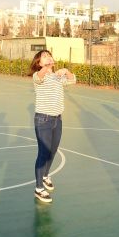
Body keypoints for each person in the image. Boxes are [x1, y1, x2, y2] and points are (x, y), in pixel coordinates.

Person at [30, 49, 76, 204]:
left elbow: (73, 80)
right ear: (39, 63)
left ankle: (45, 175)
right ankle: (38, 188)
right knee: (43, 153)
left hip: (57, 119)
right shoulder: (38, 76)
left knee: (53, 151)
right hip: (43, 119)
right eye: (44, 57)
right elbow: (41, 75)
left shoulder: (57, 77)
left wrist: (66, 71)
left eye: (49, 55)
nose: (48, 57)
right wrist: (47, 68)